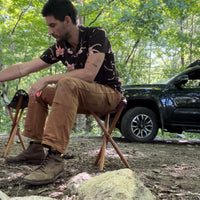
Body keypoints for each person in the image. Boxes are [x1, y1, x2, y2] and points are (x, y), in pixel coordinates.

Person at [0, 0, 122, 185]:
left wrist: (47, 78)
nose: (50, 31)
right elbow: (22, 68)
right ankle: (35, 147)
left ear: (67, 20)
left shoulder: (96, 34)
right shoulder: (60, 47)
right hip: (78, 95)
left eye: (52, 25)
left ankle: (55, 157)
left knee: (65, 82)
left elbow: (89, 74)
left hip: (108, 95)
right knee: (39, 92)